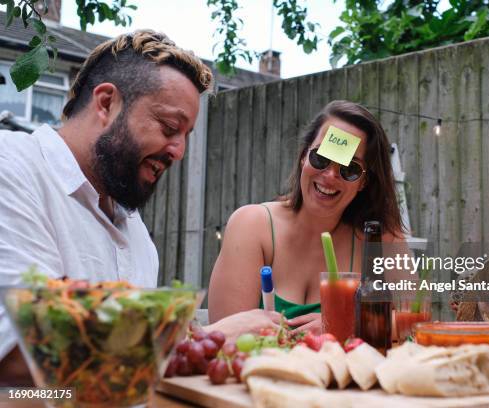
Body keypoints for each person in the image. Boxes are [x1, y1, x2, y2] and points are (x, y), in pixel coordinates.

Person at [0, 30, 278, 386]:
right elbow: (18, 355)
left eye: (185, 135)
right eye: (169, 127)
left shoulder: (134, 233)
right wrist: (205, 337)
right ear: (105, 104)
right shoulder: (13, 168)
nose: (178, 151)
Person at [208, 100, 405, 333]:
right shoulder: (251, 225)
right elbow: (225, 339)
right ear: (303, 157)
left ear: (364, 182)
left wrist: (349, 326)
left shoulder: (380, 240)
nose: (330, 176)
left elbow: (414, 323)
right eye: (320, 158)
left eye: (350, 169)